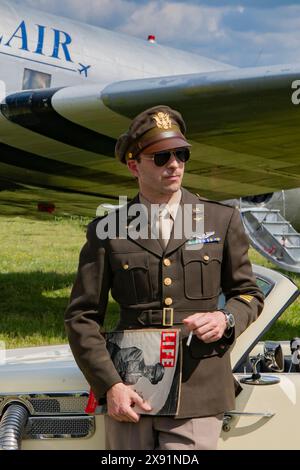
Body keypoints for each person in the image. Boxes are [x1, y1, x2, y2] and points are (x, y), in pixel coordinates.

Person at [65, 105, 264, 450]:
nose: (174, 164)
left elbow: (248, 293)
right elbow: (81, 317)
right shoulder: (108, 230)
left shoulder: (220, 220)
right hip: (132, 390)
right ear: (133, 166)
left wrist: (226, 317)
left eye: (181, 154)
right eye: (160, 157)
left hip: (197, 386)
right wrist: (109, 385)